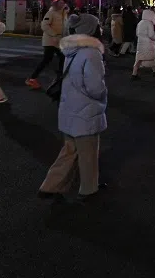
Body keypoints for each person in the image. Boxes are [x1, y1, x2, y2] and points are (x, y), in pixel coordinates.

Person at [38, 13, 107, 201]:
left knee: (69, 151)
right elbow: (94, 87)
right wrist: (102, 94)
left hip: (70, 109)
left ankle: (51, 185)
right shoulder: (92, 53)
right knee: (88, 154)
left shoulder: (72, 50)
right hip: (86, 111)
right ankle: (89, 189)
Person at [27, 0, 67, 90]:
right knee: (49, 59)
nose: (62, 5)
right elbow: (44, 25)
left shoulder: (64, 14)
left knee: (60, 58)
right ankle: (32, 78)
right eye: (60, 3)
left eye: (64, 3)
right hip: (50, 41)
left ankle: (60, 77)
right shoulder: (51, 13)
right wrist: (54, 35)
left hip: (59, 41)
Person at [132, 9, 155, 79]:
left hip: (140, 43)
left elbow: (137, 33)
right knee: (152, 58)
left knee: (138, 59)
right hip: (148, 44)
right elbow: (151, 35)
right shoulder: (149, 23)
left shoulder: (140, 23)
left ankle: (134, 73)